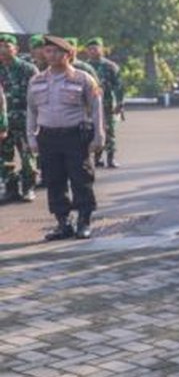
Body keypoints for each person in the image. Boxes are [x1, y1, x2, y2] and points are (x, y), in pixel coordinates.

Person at [27, 35, 104, 240]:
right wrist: (31, 138)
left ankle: (84, 221)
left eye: (57, 51)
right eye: (48, 51)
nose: (52, 55)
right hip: (48, 137)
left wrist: (99, 136)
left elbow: (96, 108)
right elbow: (32, 111)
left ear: (69, 54)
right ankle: (63, 223)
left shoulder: (83, 78)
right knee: (54, 180)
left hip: (75, 136)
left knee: (81, 179)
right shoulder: (37, 80)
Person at [0, 33, 38, 201]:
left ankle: (28, 187)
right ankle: (10, 188)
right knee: (4, 158)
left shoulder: (28, 69)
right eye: (0, 47)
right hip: (3, 124)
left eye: (7, 46)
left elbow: (39, 96)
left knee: (27, 157)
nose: (3, 50)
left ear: (16, 49)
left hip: (25, 122)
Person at [82, 38, 124, 169]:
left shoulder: (110, 66)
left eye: (95, 48)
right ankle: (97, 158)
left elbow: (119, 86)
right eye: (90, 49)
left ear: (102, 49)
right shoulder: (84, 67)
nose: (93, 51)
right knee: (92, 131)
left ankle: (111, 158)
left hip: (107, 104)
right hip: (89, 105)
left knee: (109, 131)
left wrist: (120, 103)